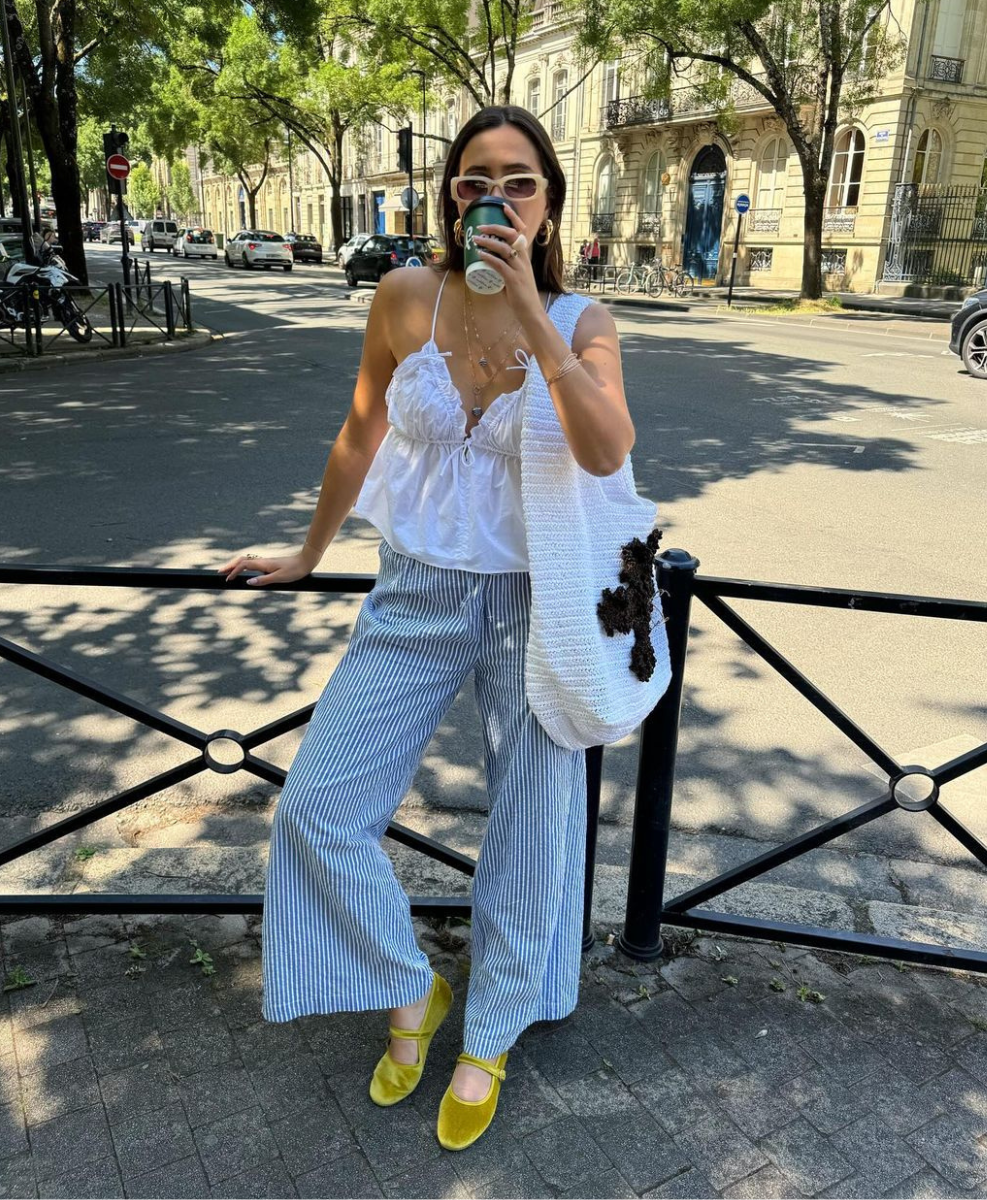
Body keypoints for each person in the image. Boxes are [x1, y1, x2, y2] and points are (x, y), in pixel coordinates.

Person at [216, 105, 639, 1151]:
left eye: (519, 180)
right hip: (414, 592)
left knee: (533, 839)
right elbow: (362, 425)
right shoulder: (407, 294)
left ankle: (491, 1030)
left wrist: (536, 314)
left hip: (535, 604)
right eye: (471, 180)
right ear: (446, 193)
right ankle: (413, 994)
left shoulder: (584, 321)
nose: (493, 196)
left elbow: (604, 448)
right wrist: (309, 551)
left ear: (548, 200)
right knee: (316, 807)